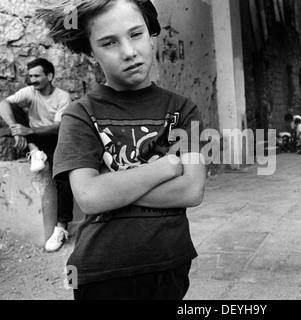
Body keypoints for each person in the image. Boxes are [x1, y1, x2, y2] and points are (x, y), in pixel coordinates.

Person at [37, 0, 207, 300]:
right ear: (91, 52)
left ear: (151, 34)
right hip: (99, 271)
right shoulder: (80, 114)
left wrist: (111, 184)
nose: (128, 52)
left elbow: (191, 190)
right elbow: (89, 198)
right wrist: (165, 167)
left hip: (169, 264)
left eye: (136, 34)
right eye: (109, 42)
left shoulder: (182, 110)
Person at [0, 58, 74, 253]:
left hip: (55, 138)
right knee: (13, 106)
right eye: (30, 76)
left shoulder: (62, 97)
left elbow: (59, 127)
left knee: (63, 174)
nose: (31, 80)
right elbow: (3, 103)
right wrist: (16, 130)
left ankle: (61, 226)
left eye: (36, 76)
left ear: (49, 76)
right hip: (33, 139)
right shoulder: (29, 92)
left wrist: (28, 132)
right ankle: (34, 152)